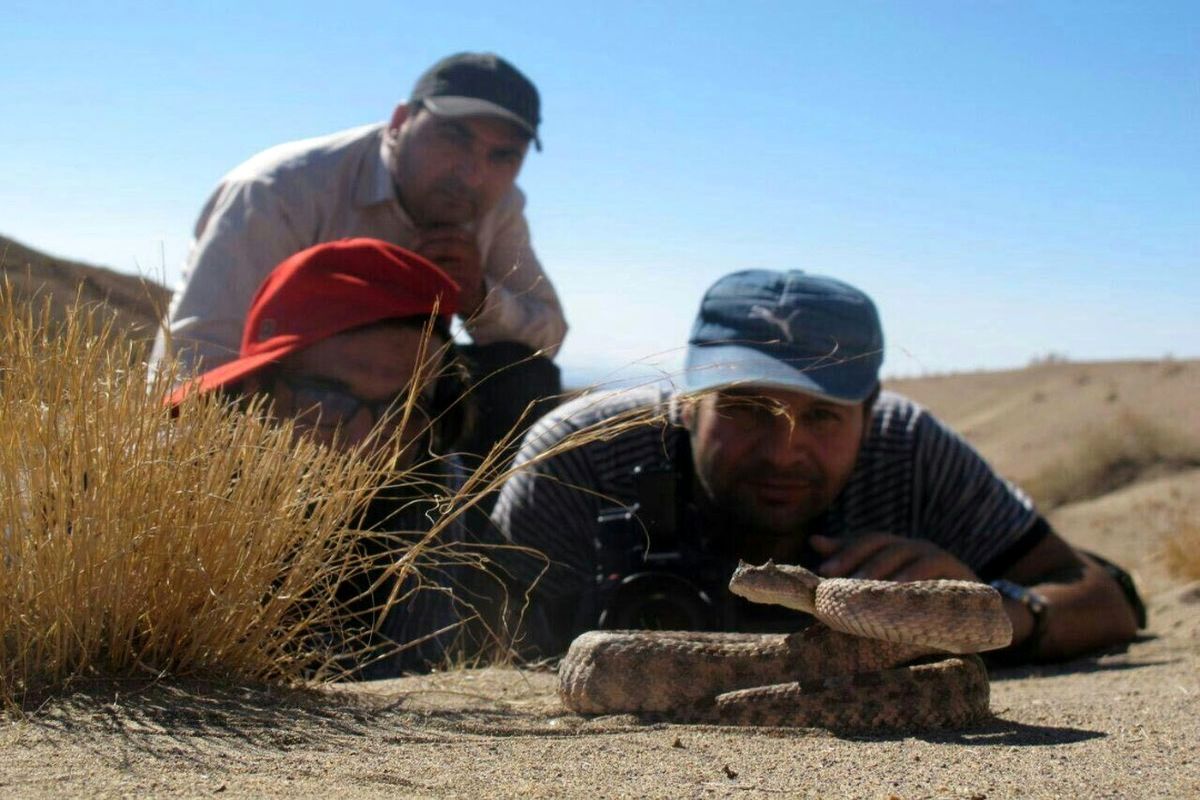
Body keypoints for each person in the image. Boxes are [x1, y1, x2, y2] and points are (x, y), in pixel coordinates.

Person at [490, 270, 1144, 663]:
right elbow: (475, 643)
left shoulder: (909, 450)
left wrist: (980, 613)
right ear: (689, 405)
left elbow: (1102, 599)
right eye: (747, 409)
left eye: (825, 415)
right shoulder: (579, 456)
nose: (782, 451)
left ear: (870, 409)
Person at [154, 52, 565, 460]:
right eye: (455, 137)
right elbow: (198, 354)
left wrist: (478, 298)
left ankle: (461, 520)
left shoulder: (497, 207)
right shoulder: (279, 190)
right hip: (290, 415)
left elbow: (546, 335)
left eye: (503, 156)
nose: (473, 173)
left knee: (521, 376)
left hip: (395, 420)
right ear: (400, 123)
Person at [169, 237, 481, 678]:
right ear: (257, 393)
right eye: (328, 402)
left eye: (402, 410)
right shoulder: (170, 482)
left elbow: (406, 672)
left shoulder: (430, 472)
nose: (365, 442)